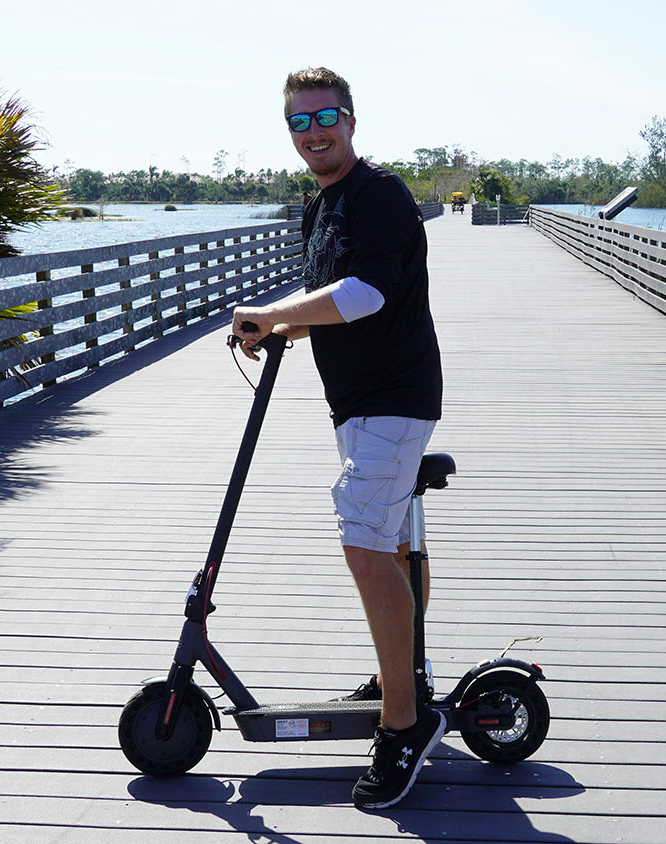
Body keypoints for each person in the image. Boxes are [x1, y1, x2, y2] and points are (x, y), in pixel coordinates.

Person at [232, 67, 444, 810]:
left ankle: (403, 725)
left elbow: (367, 294)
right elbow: (331, 299)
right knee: (385, 541)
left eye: (324, 116)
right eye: (298, 121)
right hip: (356, 401)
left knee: (362, 541)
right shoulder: (319, 207)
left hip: (393, 395)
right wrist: (281, 324)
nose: (313, 131)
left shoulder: (378, 195)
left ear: (351, 120)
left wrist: (269, 307)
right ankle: (405, 677)